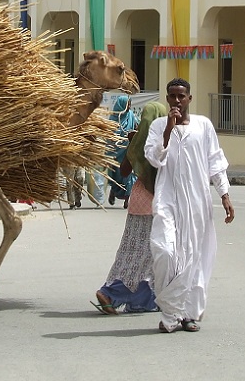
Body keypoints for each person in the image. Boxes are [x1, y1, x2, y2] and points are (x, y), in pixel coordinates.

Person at [145, 78, 235, 333]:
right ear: (167, 98)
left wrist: (224, 195)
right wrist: (168, 131)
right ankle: (171, 311)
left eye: (181, 96)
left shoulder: (203, 125)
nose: (176, 101)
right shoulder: (158, 125)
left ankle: (185, 316)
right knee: (164, 250)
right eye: (172, 96)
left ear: (189, 99)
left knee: (194, 257)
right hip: (167, 198)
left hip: (197, 201)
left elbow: (215, 161)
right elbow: (153, 158)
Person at [93, 101, 167, 315]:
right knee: (149, 254)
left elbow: (124, 171)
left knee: (133, 251)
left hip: (137, 200)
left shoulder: (137, 141)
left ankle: (143, 299)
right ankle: (111, 292)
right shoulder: (164, 141)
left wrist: (132, 145)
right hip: (156, 203)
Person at [106, 94, 138, 208]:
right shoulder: (113, 119)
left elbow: (136, 126)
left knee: (129, 175)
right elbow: (109, 137)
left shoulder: (131, 116)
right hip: (115, 153)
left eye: (130, 104)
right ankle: (114, 191)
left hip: (127, 152)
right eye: (127, 104)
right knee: (116, 175)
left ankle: (127, 199)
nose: (129, 106)